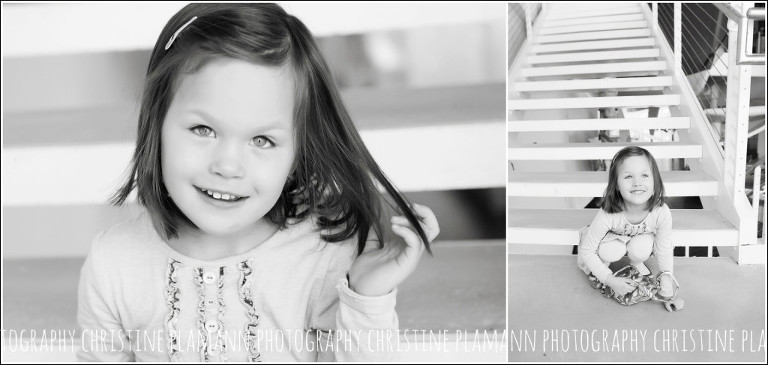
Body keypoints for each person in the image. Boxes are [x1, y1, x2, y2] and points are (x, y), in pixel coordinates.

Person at [77, 3, 439, 362]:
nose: (228, 165)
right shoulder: (114, 264)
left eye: (262, 141)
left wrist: (367, 296)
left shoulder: (324, 258)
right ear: (157, 125)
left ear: (297, 155)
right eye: (203, 129)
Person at [577, 146, 675, 305]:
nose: (637, 183)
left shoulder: (661, 212)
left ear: (654, 181)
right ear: (616, 184)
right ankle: (601, 266)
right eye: (628, 176)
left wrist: (666, 278)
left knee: (643, 245)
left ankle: (636, 263)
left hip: (637, 238)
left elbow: (664, 247)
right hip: (611, 241)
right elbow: (588, 251)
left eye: (644, 175)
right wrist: (609, 280)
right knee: (612, 250)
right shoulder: (608, 214)